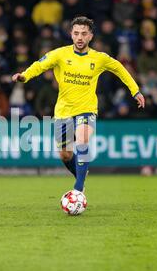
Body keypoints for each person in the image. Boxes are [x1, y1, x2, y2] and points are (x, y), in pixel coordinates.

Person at [12, 16, 144, 194]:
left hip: (87, 109)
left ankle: (78, 190)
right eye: (76, 33)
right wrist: (24, 76)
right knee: (65, 154)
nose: (80, 37)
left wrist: (135, 91)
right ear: (71, 35)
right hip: (63, 110)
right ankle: (81, 175)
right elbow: (40, 65)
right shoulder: (60, 54)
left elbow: (120, 69)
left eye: (84, 33)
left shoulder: (99, 58)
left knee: (82, 141)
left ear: (90, 36)